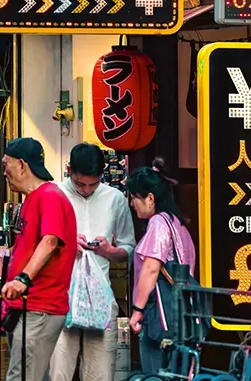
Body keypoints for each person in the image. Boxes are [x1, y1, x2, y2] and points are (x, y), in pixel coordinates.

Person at [49, 145, 136, 381]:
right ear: (69, 171)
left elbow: (129, 248)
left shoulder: (115, 199)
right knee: (58, 373)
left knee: (100, 374)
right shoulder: (53, 195)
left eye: (93, 184)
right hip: (59, 300)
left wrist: (109, 250)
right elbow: (36, 245)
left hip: (100, 302)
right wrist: (63, 245)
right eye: (80, 184)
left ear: (103, 174)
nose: (86, 190)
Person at [0, 138, 77, 381]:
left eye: (7, 165)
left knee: (21, 377)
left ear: (22, 165)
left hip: (39, 307)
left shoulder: (50, 195)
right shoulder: (31, 199)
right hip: (26, 307)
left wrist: (23, 278)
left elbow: (51, 240)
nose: (4, 172)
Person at [126, 161, 195, 375]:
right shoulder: (178, 224)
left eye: (134, 197)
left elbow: (151, 269)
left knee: (155, 372)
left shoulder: (158, 224)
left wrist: (137, 310)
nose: (131, 203)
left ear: (150, 198)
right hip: (183, 314)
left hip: (159, 314)